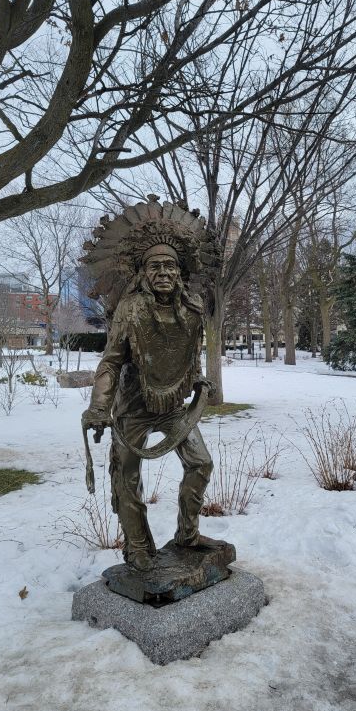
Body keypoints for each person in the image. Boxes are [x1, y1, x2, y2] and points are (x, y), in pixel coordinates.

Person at [81, 242, 214, 571]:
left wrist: (197, 379)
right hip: (133, 408)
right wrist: (100, 406)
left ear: (180, 273)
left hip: (172, 407)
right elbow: (110, 363)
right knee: (127, 477)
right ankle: (138, 546)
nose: (164, 273)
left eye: (170, 266)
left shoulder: (192, 309)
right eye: (155, 267)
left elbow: (189, 355)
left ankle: (188, 534)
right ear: (142, 273)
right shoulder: (131, 309)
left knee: (200, 463)